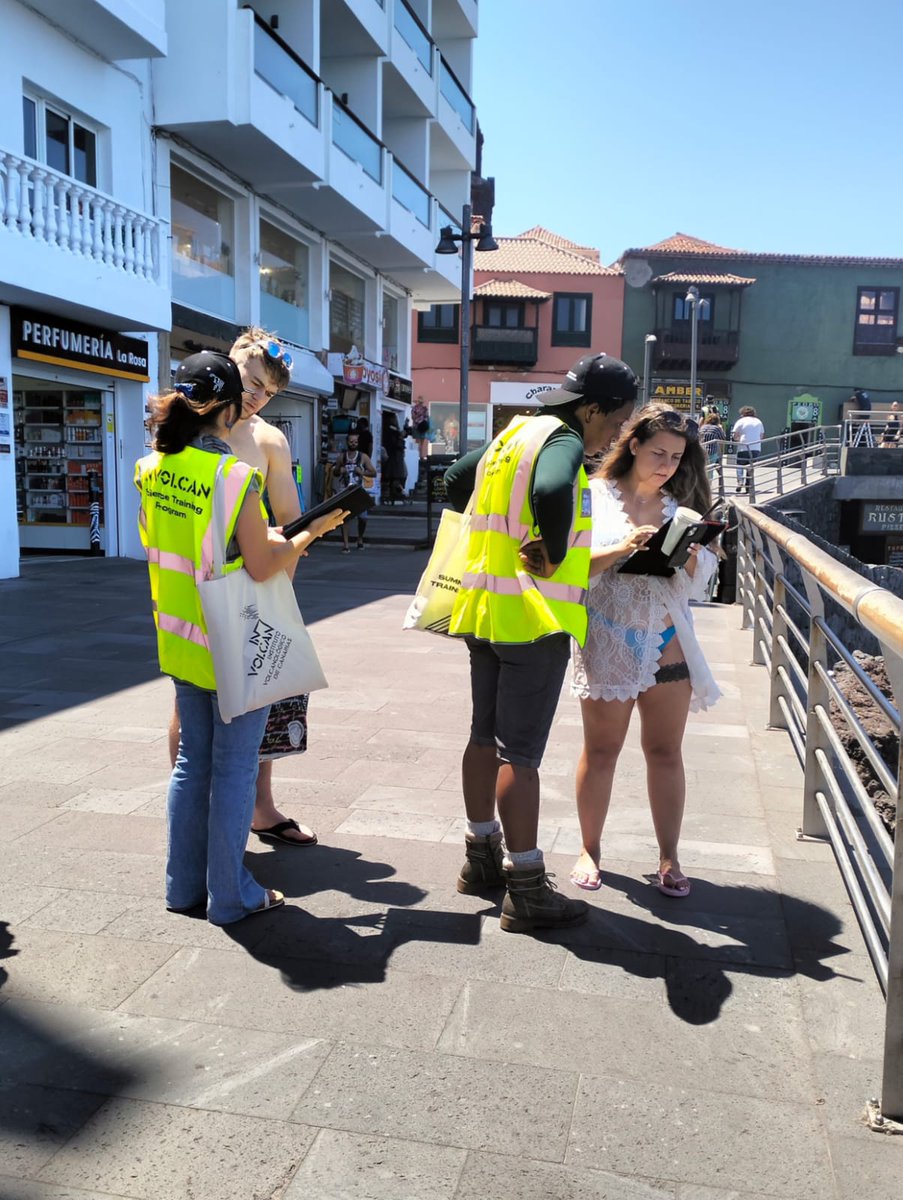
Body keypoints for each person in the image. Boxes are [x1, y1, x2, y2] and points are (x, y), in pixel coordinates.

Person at [135, 352, 346, 923]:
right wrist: (311, 533)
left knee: (190, 767)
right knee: (233, 770)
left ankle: (183, 889)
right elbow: (263, 563)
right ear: (228, 409)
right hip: (233, 642)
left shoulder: (148, 469)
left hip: (178, 637)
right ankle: (231, 896)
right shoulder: (234, 477)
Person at [444, 352, 639, 934]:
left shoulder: (514, 434)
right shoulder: (563, 440)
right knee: (519, 755)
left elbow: (456, 479)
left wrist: (495, 539)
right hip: (533, 617)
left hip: (484, 607)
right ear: (592, 409)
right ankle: (525, 887)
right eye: (615, 423)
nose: (613, 437)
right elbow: (555, 487)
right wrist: (551, 550)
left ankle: (480, 861)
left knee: (483, 736)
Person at [166, 328, 320, 848]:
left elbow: (292, 523)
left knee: (263, 701)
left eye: (267, 392)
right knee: (190, 710)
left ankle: (259, 807)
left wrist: (278, 599)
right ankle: (197, 808)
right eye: (251, 382)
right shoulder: (183, 429)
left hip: (255, 590)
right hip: (193, 593)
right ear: (227, 363)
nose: (255, 396)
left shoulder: (269, 440)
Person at [569, 405, 720, 898]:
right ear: (633, 445)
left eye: (677, 458)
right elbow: (570, 568)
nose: (667, 465)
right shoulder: (592, 498)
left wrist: (696, 559)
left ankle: (669, 856)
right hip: (607, 636)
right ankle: (590, 848)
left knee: (665, 751)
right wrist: (622, 549)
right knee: (601, 750)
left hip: (668, 640)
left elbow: (699, 589)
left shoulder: (686, 513)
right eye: (658, 452)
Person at [335, 431, 377, 549]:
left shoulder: (363, 457)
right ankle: (346, 544)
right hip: (344, 491)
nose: (353, 444)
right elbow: (335, 472)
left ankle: (360, 538)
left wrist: (362, 472)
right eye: (351, 442)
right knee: (345, 518)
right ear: (347, 442)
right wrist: (340, 471)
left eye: (355, 442)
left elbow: (373, 472)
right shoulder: (342, 457)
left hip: (359, 491)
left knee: (363, 517)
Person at [731, 405, 765, 492]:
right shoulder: (759, 422)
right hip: (756, 448)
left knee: (740, 465)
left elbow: (734, 435)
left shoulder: (741, 421)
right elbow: (761, 436)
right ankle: (748, 487)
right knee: (750, 467)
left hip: (743, 446)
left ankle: (740, 481)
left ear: (743, 413)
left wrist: (738, 440)